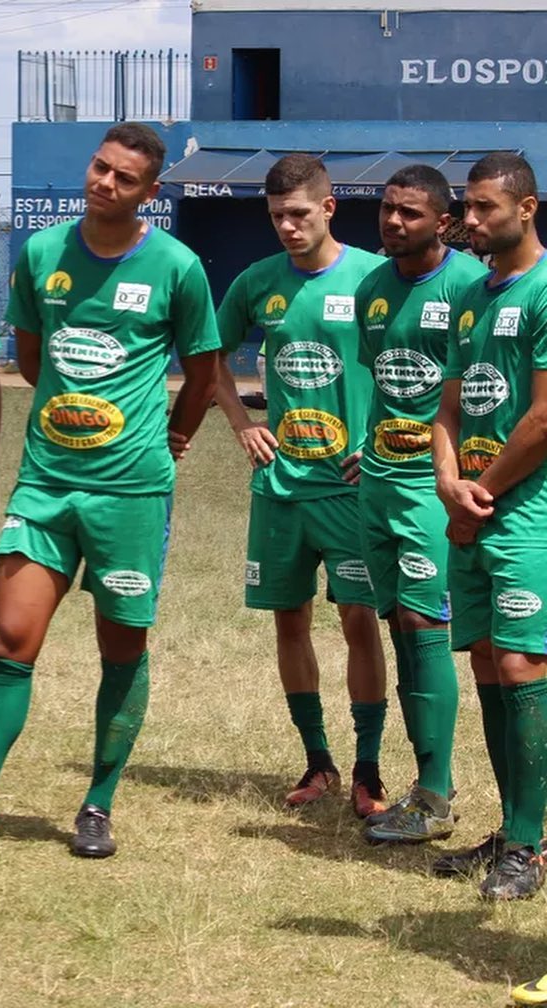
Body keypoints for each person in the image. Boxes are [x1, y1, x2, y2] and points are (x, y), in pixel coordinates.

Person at [0, 121, 220, 865]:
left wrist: (169, 436)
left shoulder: (177, 266)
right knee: (7, 640)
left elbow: (202, 368)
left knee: (121, 645)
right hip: (46, 483)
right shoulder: (41, 254)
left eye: (124, 177)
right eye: (100, 168)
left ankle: (98, 801)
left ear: (150, 192)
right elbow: (33, 360)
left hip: (132, 492)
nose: (105, 183)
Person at [214, 154, 389, 817]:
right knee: (290, 620)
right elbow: (207, 357)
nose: (287, 227)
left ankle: (369, 768)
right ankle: (317, 761)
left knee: (358, 619)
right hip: (281, 487)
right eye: (276, 216)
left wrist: (380, 440)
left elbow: (419, 367)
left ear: (328, 208)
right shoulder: (259, 282)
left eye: (298, 214)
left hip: (349, 488)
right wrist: (239, 425)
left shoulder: (374, 275)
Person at [354, 166, 487, 844]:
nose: (392, 222)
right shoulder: (372, 289)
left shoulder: (469, 286)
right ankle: (427, 785)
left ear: (443, 221)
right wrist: (361, 443)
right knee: (399, 628)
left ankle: (434, 797)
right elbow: (381, 382)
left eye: (408, 213)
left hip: (431, 488)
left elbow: (480, 391)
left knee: (424, 622)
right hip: (376, 483)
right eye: (386, 209)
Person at [431, 152, 547, 899]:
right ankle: (513, 828)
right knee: (484, 667)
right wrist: (448, 485)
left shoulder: (544, 290)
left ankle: (532, 849)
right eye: (466, 209)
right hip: (471, 511)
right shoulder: (471, 299)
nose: (469, 221)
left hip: (527, 514)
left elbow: (543, 416)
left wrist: (482, 493)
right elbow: (445, 406)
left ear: (527, 208)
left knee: (521, 667)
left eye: (483, 208)